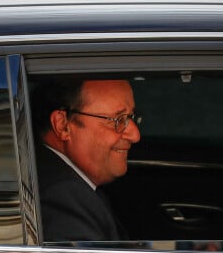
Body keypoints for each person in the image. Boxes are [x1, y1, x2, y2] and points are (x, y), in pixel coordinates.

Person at [31, 78, 141, 241]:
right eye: (118, 120)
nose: (135, 135)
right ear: (63, 125)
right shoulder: (62, 196)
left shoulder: (63, 184)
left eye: (131, 117)